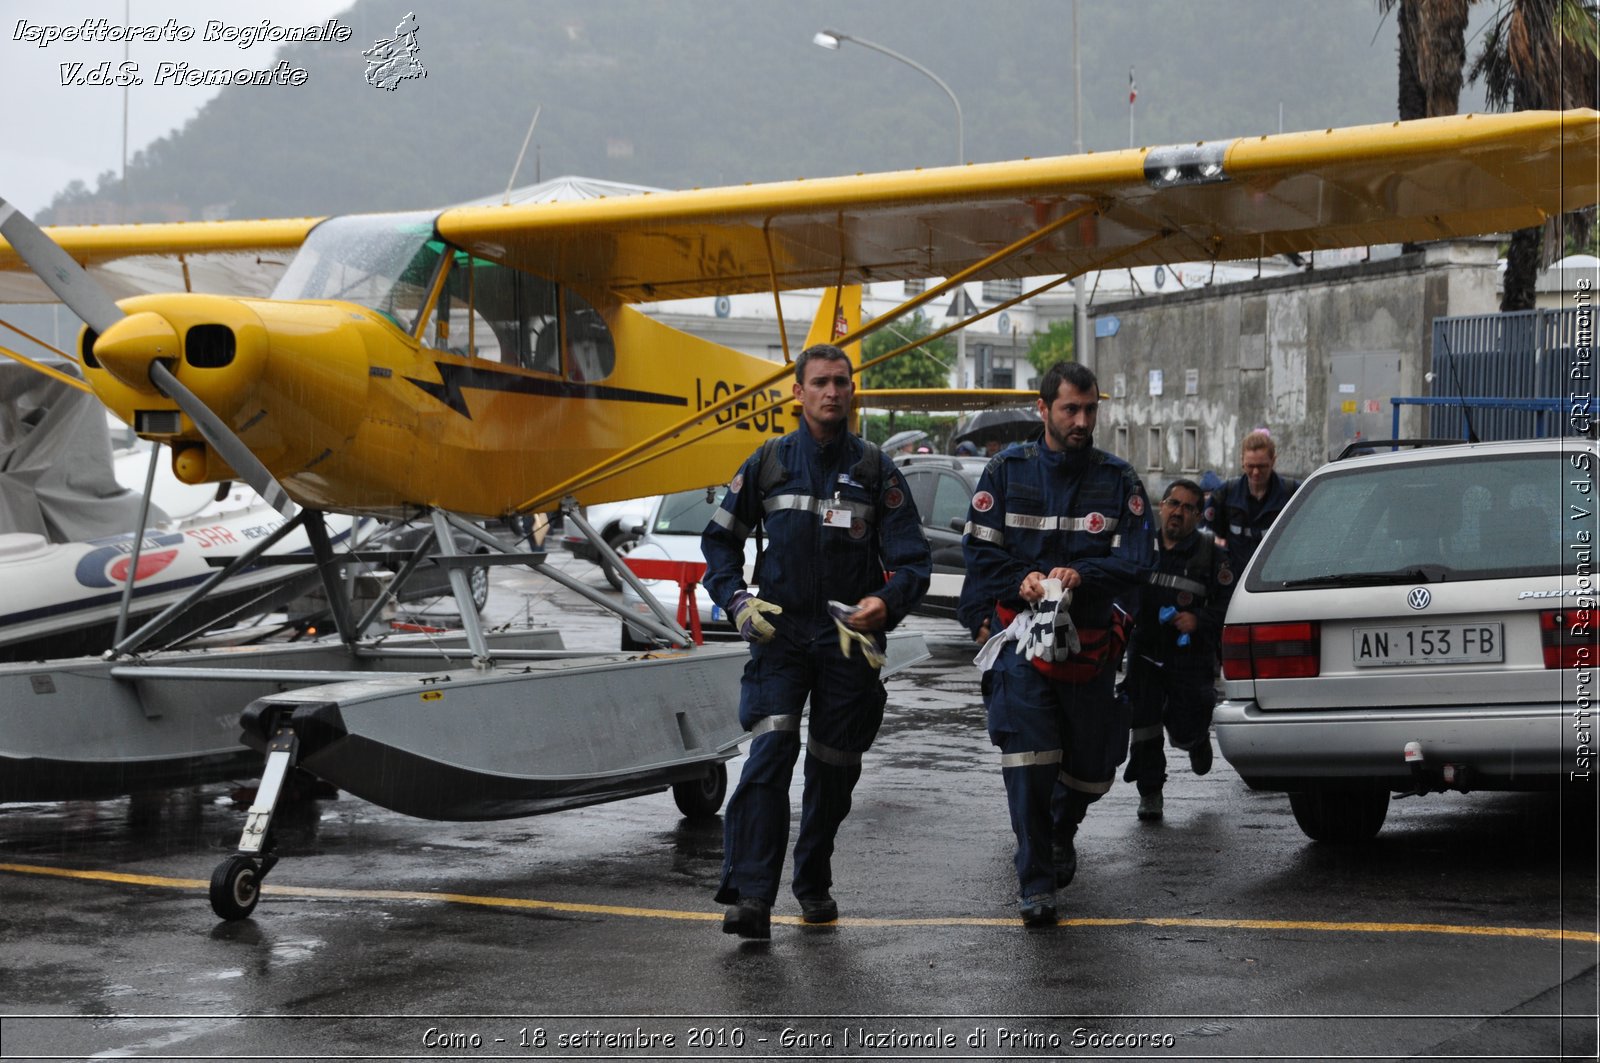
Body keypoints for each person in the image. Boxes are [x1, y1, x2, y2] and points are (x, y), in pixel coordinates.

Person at [701, 343, 932, 939]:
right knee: (771, 752)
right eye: (821, 383)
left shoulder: (878, 470)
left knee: (833, 769)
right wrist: (735, 601)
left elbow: (912, 561)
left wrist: (887, 602)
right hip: (780, 640)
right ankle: (751, 896)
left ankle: (812, 880)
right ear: (797, 393)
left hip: (847, 644)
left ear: (852, 392)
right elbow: (719, 544)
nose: (833, 391)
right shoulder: (767, 464)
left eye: (842, 382)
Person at [962, 361, 1155, 927]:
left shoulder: (1118, 481)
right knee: (1028, 759)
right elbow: (980, 554)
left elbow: (1139, 561)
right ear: (1043, 409)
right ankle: (1036, 884)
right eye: (1071, 408)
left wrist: (1083, 576)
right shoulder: (1004, 472)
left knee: (1094, 767)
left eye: (1090, 409)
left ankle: (1060, 829)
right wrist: (1016, 583)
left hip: (1091, 644)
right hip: (1024, 645)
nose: (1082, 420)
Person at [1122, 478, 1232, 821]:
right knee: (1144, 726)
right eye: (1173, 503)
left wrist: (1198, 619)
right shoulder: (1141, 547)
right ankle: (1150, 792)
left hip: (1189, 658)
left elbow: (1230, 603)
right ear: (1161, 506)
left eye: (1187, 507)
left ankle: (1195, 740)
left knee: (1185, 723)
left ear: (1198, 515)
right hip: (1144, 652)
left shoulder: (1211, 554)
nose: (1178, 512)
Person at [1205, 429, 1300, 576]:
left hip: (1276, 579)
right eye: (1250, 466)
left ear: (1273, 461)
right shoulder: (1225, 494)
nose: (1256, 472)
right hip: (1234, 580)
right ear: (1242, 461)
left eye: (1262, 466)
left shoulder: (1292, 493)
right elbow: (1205, 531)